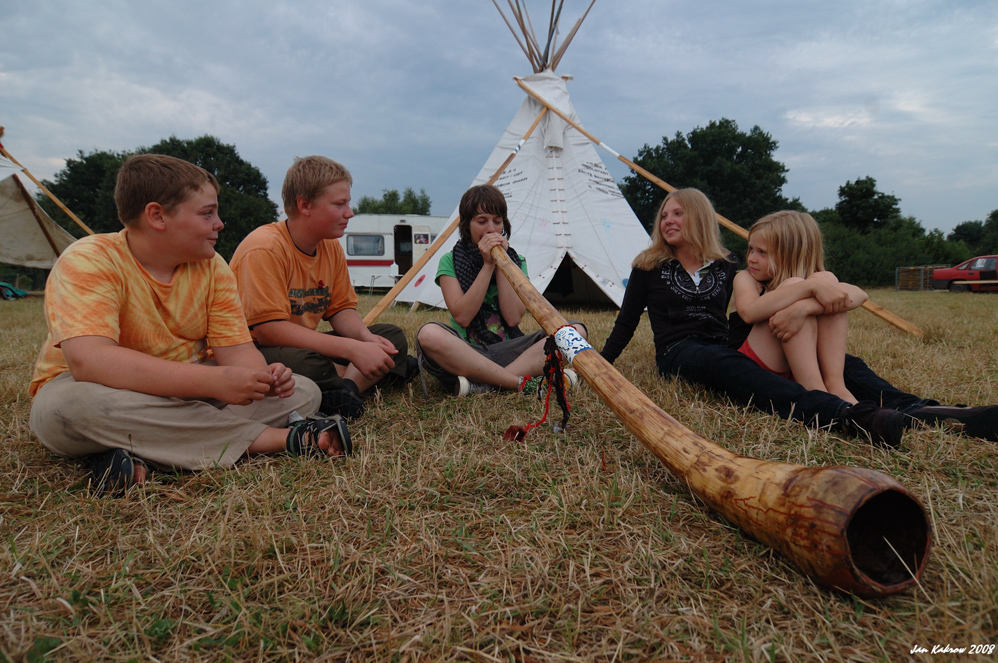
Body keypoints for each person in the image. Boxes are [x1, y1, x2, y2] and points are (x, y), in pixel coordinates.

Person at [28, 154, 351, 496]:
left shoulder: (212, 267)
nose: (220, 223)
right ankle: (280, 439)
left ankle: (141, 455)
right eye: (206, 213)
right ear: (157, 216)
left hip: (188, 392)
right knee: (69, 409)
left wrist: (262, 381)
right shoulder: (90, 258)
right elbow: (88, 361)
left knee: (303, 391)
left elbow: (240, 356)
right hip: (97, 389)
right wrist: (215, 381)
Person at [599, 188, 998, 448]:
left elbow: (834, 296)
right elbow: (627, 321)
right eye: (664, 214)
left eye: (678, 213)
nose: (668, 220)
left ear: (699, 219)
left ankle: (931, 412)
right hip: (680, 352)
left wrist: (807, 301)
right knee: (726, 364)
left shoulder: (724, 265)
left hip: (725, 342)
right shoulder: (648, 265)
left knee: (841, 364)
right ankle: (842, 414)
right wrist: (599, 365)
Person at [229, 156, 417, 419]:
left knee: (390, 336)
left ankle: (346, 390)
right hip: (259, 349)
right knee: (310, 363)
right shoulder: (264, 248)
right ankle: (369, 372)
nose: (349, 212)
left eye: (348, 203)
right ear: (304, 205)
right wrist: (351, 350)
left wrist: (365, 339)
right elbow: (269, 331)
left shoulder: (330, 246)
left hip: (305, 345)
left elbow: (340, 309)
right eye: (340, 204)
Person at [415, 184, 586, 396]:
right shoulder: (449, 261)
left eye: (497, 222)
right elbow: (463, 317)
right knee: (429, 334)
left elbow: (513, 318)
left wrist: (503, 265)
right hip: (467, 353)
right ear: (467, 225)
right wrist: (488, 266)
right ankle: (520, 383)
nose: (491, 229)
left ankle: (485, 385)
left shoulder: (517, 261)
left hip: (513, 350)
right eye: (482, 221)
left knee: (574, 331)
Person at [730, 211, 868, 403]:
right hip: (751, 366)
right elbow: (748, 312)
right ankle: (817, 395)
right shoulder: (745, 278)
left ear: (789, 255)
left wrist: (803, 309)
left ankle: (836, 386)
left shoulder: (817, 281)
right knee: (794, 285)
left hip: (796, 369)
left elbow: (860, 295)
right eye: (751, 249)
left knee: (827, 279)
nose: (752, 258)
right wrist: (808, 288)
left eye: (762, 252)